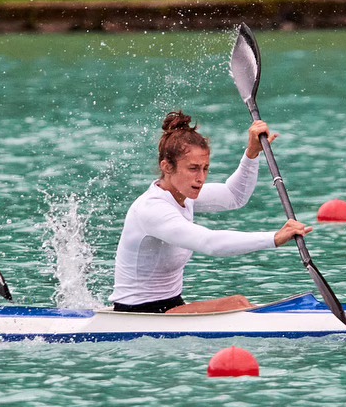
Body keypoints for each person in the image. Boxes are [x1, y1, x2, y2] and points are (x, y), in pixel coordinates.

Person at [110, 111, 311, 313]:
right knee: (238, 303)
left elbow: (234, 196)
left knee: (240, 304)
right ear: (167, 167)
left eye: (205, 168)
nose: (201, 177)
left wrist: (252, 153)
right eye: (193, 168)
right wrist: (273, 238)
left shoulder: (183, 195)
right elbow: (210, 243)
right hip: (138, 314)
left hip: (171, 307)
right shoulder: (152, 209)